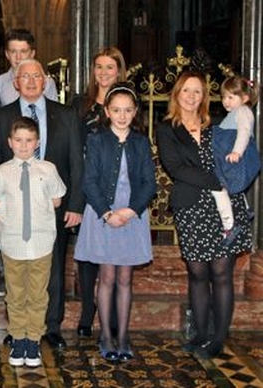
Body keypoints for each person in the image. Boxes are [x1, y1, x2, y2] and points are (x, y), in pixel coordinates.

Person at [0, 58, 84, 349]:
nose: (30, 81)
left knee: (51, 269)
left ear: (46, 81)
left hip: (54, 206)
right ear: (16, 82)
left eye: (36, 76)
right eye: (24, 76)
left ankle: (50, 326)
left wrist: (76, 205)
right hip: (13, 212)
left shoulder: (66, 115)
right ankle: (18, 329)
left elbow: (76, 163)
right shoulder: (0, 117)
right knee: (15, 274)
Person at [156, 71, 252, 359]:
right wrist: (214, 180)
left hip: (225, 205)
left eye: (197, 91)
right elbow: (175, 168)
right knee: (198, 273)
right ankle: (199, 334)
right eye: (186, 90)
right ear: (177, 94)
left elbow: (241, 152)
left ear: (204, 96)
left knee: (221, 273)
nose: (191, 96)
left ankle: (218, 339)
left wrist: (231, 178)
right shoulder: (166, 128)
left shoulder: (219, 125)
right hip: (192, 207)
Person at [74, 84, 156, 362]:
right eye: (117, 110)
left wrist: (130, 211)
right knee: (106, 277)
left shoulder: (141, 142)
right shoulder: (97, 140)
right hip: (103, 215)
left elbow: (149, 183)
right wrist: (108, 213)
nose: (122, 116)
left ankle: (123, 336)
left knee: (125, 278)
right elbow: (90, 181)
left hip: (132, 216)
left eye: (128, 111)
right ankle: (106, 336)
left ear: (135, 113)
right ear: (107, 112)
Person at [0, 117, 66, 367]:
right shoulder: (2, 172)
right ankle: (18, 338)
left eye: (29, 140)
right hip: (12, 243)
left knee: (38, 294)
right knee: (16, 293)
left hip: (41, 241)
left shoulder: (48, 169)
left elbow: (56, 200)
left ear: (37, 142)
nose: (23, 145)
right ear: (10, 142)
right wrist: (4, 217)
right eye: (18, 140)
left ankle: (33, 340)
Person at [71, 46, 127, 338]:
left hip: (119, 187)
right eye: (99, 67)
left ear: (119, 71)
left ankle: (113, 310)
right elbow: (72, 144)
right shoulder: (79, 104)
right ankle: (87, 310)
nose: (104, 73)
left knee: (115, 252)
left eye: (110, 67)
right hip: (88, 184)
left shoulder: (127, 102)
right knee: (87, 251)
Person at [210, 75, 260, 242]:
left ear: (244, 98)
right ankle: (244, 210)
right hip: (227, 157)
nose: (226, 101)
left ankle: (228, 225)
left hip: (236, 158)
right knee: (226, 187)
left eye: (231, 97)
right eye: (224, 97)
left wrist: (237, 152)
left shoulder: (243, 111)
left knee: (219, 188)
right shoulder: (233, 114)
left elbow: (244, 132)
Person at [0, 28, 58, 106]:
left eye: (23, 51)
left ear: (32, 54)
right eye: (13, 52)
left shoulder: (47, 83)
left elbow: (55, 113)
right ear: (7, 54)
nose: (18, 57)